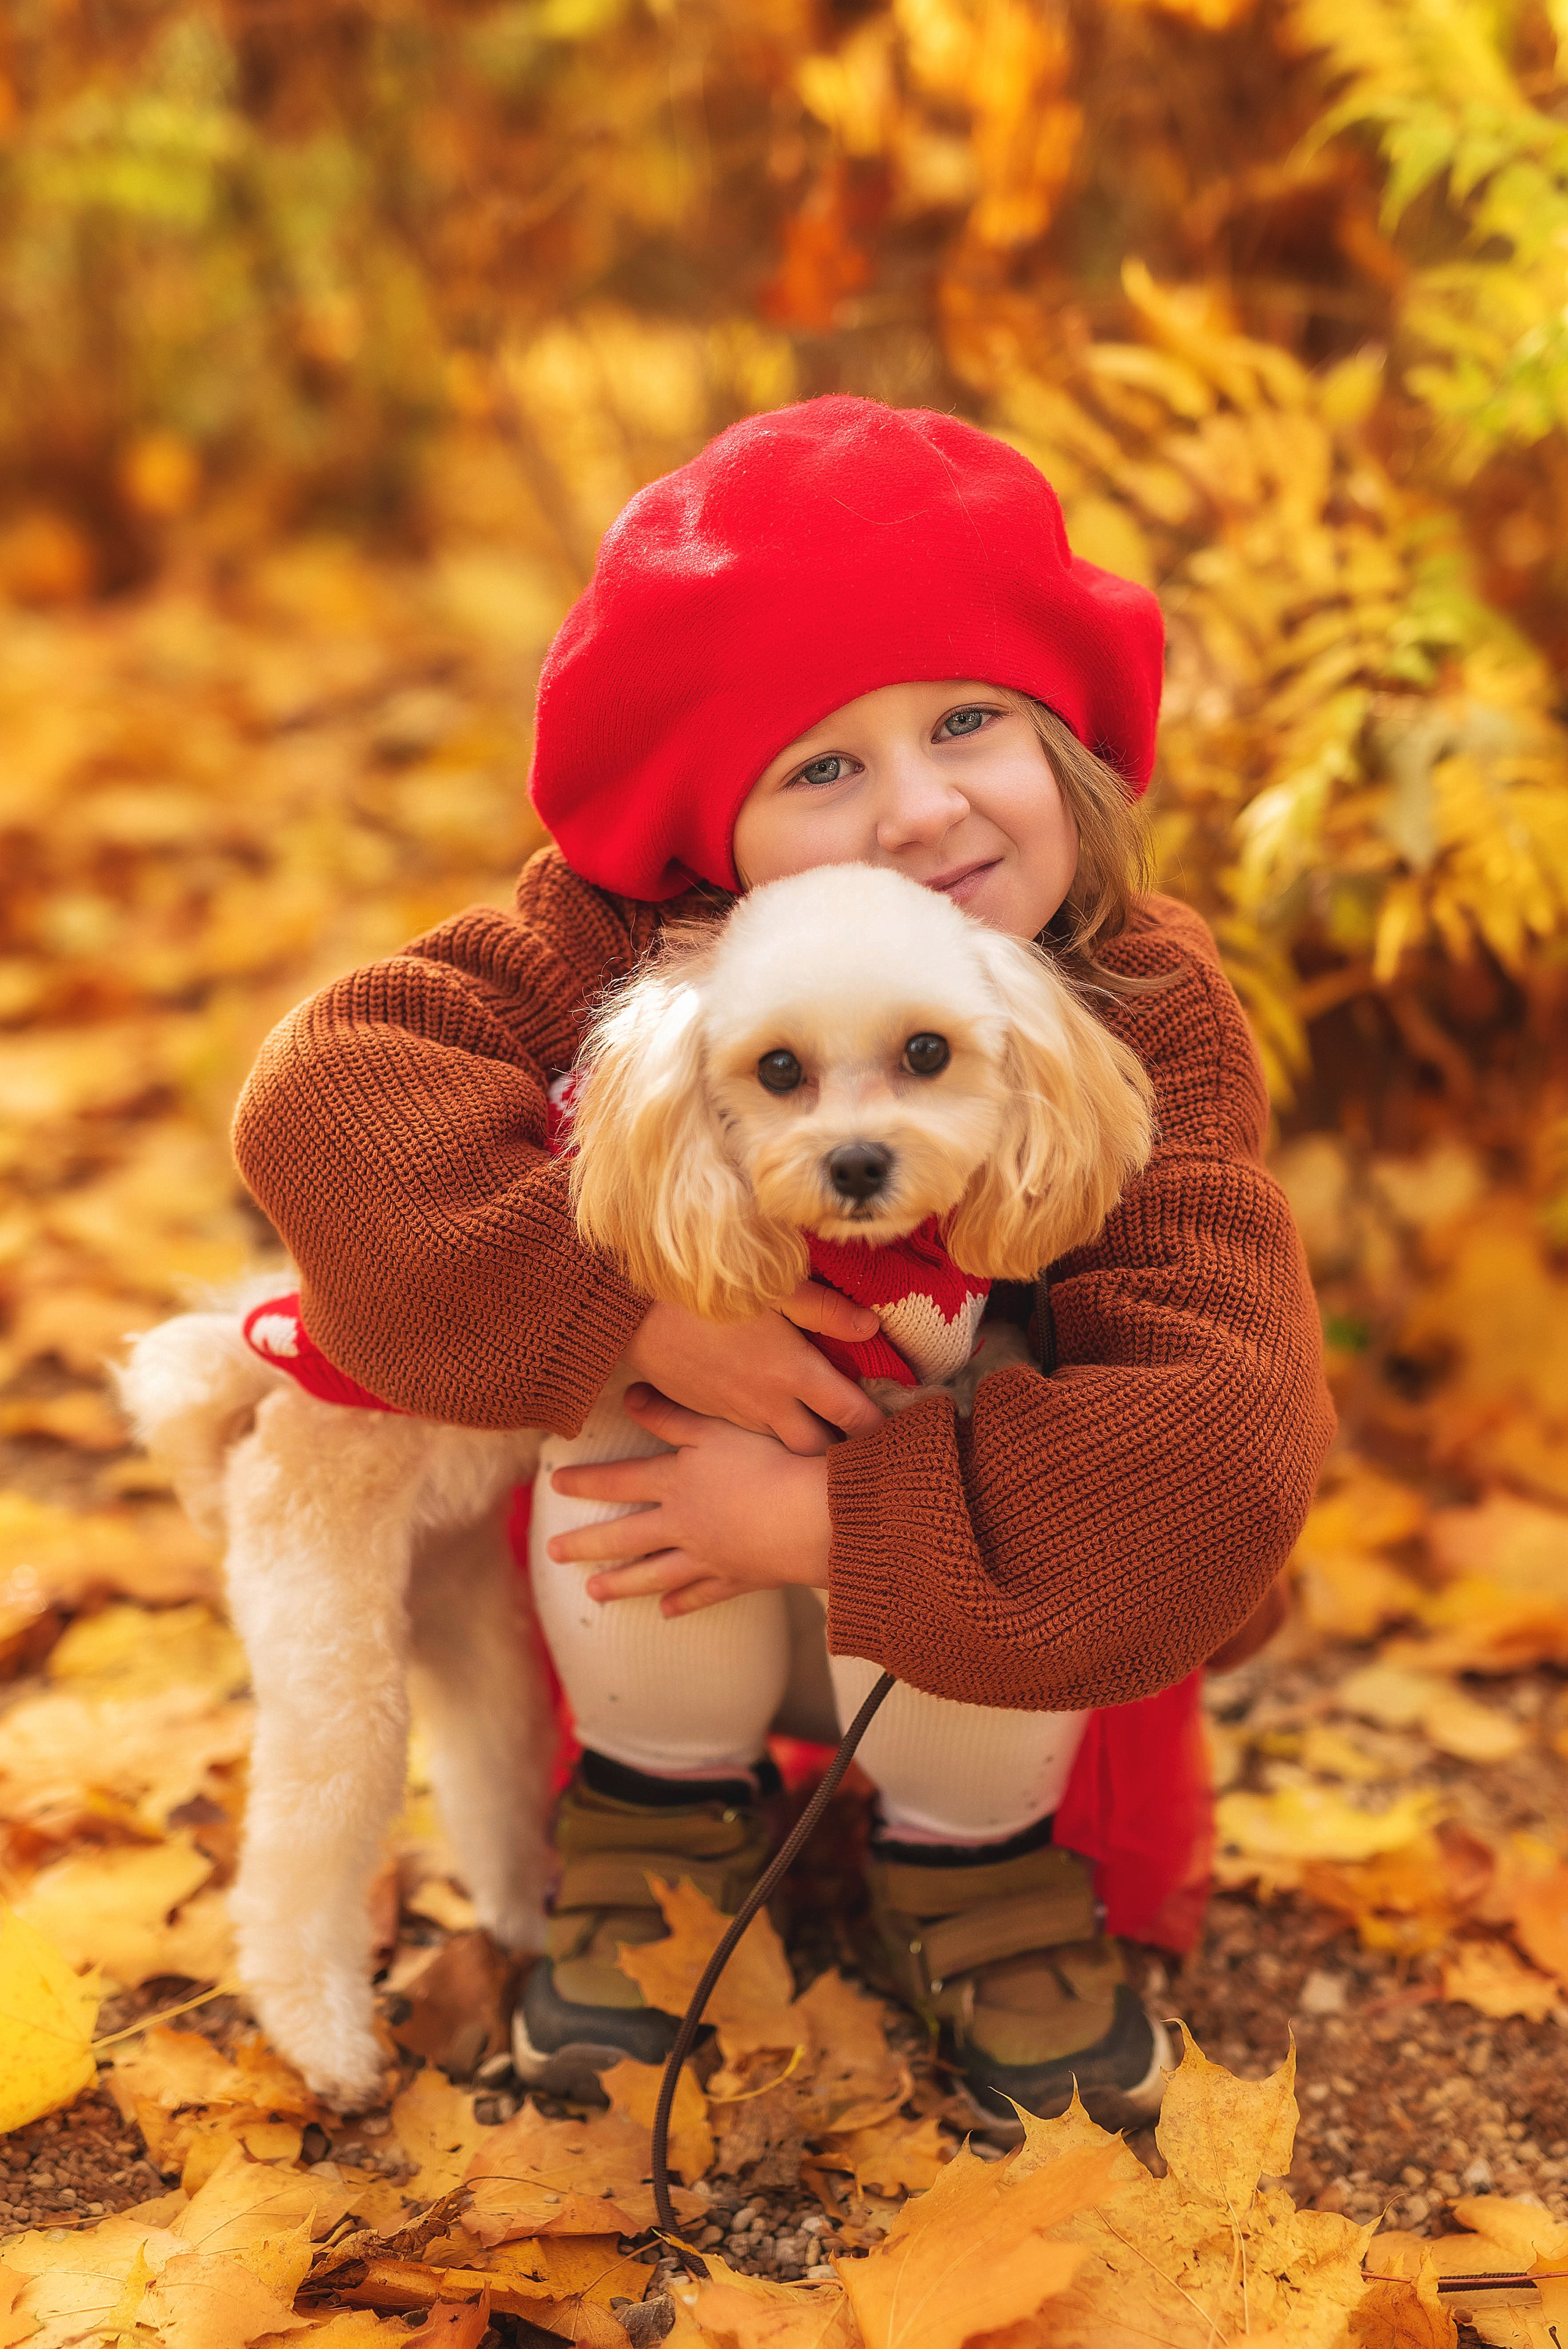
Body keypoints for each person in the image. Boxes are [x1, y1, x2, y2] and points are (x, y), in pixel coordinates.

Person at [233, 396, 1334, 2127]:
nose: (919, 812)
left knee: (1047, 1414)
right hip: (662, 1574)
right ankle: (652, 1827)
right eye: (823, 765)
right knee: (625, 1449)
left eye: (967, 720)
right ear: (706, 823)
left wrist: (830, 1517)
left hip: (996, 1597)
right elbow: (329, 1107)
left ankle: (979, 1867)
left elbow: (1231, 1428)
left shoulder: (1144, 997)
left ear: (1063, 737)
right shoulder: (612, 937)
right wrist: (633, 1316)